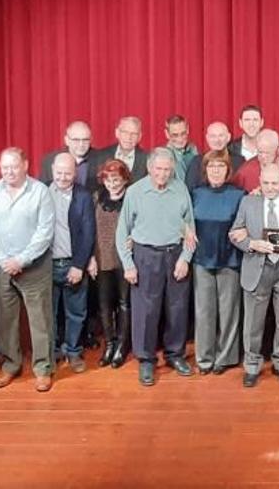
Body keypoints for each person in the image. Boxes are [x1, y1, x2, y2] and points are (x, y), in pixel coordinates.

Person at [116, 148, 196, 386]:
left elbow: (190, 228)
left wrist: (186, 258)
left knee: (178, 308)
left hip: (174, 255)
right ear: (150, 168)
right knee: (145, 311)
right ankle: (146, 359)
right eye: (158, 169)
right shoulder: (135, 192)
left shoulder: (180, 189)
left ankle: (175, 354)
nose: (162, 174)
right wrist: (128, 264)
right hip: (145, 256)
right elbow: (122, 232)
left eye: (167, 169)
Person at [0, 147, 55, 392]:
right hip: (1, 267)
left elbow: (44, 232)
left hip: (34, 267)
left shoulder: (40, 192)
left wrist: (21, 260)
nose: (9, 172)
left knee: (40, 320)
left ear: (25, 164)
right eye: (4, 167)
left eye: (13, 166)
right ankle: (11, 365)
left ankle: (43, 369)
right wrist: (3, 259)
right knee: (6, 320)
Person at [230, 165, 279, 387]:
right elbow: (235, 232)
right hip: (257, 266)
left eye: (275, 183)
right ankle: (252, 365)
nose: (270, 188)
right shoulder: (248, 202)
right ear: (260, 181)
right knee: (253, 322)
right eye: (266, 183)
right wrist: (252, 244)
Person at [190, 150, 245, 375]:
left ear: (227, 170)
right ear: (205, 170)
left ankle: (225, 358)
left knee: (229, 311)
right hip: (202, 259)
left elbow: (245, 224)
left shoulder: (239, 194)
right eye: (211, 166)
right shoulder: (195, 193)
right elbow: (185, 222)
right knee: (204, 312)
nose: (215, 171)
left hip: (230, 259)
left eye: (220, 166)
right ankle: (204, 358)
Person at [48, 153, 96, 372]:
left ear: (75, 173)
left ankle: (74, 351)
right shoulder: (42, 192)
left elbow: (88, 233)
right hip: (46, 265)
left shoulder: (84, 196)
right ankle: (54, 351)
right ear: (52, 170)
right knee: (50, 313)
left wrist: (79, 264)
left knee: (76, 312)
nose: (63, 177)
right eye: (59, 172)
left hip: (73, 263)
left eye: (68, 172)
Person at [87, 159, 132, 368]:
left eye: (117, 179)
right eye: (108, 179)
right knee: (105, 306)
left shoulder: (132, 198)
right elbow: (90, 231)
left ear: (125, 179)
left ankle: (122, 345)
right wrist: (91, 258)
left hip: (125, 261)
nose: (112, 183)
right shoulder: (96, 198)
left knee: (124, 304)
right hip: (102, 259)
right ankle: (110, 343)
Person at [39, 121, 102, 190]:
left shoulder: (102, 159)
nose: (81, 144)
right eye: (76, 140)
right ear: (66, 140)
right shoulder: (50, 160)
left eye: (85, 140)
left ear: (91, 140)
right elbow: (43, 189)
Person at [185, 122, 245, 190]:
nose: (217, 140)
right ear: (207, 138)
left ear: (228, 137)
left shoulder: (239, 161)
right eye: (213, 136)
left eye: (221, 135)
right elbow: (190, 188)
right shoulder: (197, 162)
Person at [99, 116, 149, 182]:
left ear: (139, 137)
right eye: (125, 132)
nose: (129, 137)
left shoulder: (147, 159)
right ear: (117, 133)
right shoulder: (101, 156)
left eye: (134, 134)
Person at [164, 114, 200, 182]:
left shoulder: (194, 150)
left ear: (188, 130)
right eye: (175, 135)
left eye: (183, 133)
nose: (180, 139)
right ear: (167, 134)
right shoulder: (163, 156)